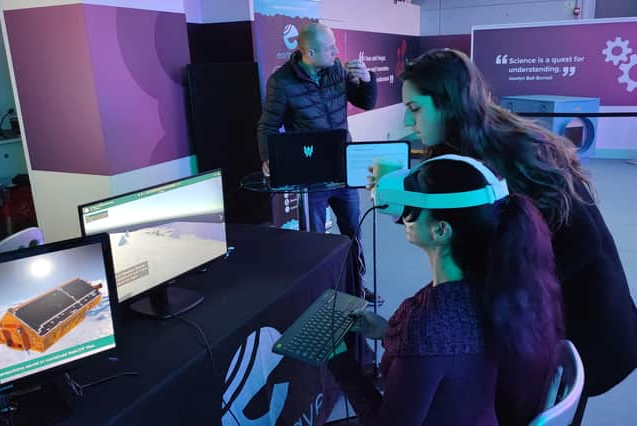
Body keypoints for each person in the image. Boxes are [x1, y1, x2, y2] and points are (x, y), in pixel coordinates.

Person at [377, 48, 637, 424]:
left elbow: (582, 241)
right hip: (544, 320)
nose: (406, 120)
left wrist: (497, 300)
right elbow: (453, 222)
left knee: (536, 405)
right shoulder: (470, 147)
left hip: (584, 322)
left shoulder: (512, 154)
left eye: (415, 109)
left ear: (448, 105)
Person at [328, 155, 564, 425]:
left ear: (441, 230)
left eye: (411, 209)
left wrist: (338, 358)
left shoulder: (428, 323)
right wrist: (387, 332)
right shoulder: (500, 288)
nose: (404, 216)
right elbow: (452, 357)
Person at [256, 23, 381, 304]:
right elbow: (268, 126)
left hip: (343, 169)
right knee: (313, 241)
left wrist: (367, 79)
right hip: (310, 176)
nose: (337, 52)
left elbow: (366, 102)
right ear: (309, 52)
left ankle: (357, 288)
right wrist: (268, 159)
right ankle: (319, 296)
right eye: (330, 48)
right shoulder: (282, 81)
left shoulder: (337, 69)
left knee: (353, 232)